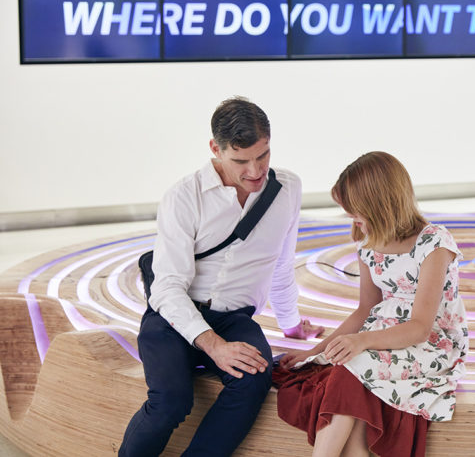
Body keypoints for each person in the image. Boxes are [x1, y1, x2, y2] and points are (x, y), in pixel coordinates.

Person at [119, 97, 323, 456]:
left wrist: (292, 325)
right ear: (216, 149)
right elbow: (166, 288)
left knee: (255, 378)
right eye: (241, 161)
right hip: (174, 316)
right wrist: (213, 344)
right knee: (171, 401)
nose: (255, 171)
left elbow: (280, 264)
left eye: (264, 155)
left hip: (234, 319)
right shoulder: (184, 196)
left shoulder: (287, 189)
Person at [274, 151, 468, 457]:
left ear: (380, 204)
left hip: (430, 343)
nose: (353, 219)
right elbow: (365, 310)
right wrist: (313, 352)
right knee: (349, 386)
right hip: (381, 334)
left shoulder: (434, 244)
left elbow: (419, 328)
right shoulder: (368, 242)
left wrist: (360, 342)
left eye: (356, 211)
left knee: (350, 368)